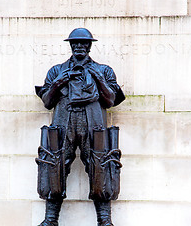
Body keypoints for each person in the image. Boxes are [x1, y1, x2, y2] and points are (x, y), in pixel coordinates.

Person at [35, 28, 125, 226]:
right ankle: (50, 219)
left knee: (100, 165)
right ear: (70, 45)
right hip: (63, 122)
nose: (79, 47)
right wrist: (59, 82)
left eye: (83, 43)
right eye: (75, 43)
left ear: (90, 46)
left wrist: (99, 79)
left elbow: (110, 100)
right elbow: (47, 102)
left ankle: (105, 220)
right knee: (54, 165)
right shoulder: (56, 70)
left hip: (93, 123)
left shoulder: (104, 70)